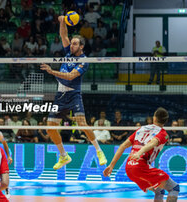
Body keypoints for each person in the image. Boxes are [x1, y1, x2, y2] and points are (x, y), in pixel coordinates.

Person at [40, 15, 107, 170]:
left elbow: (70, 77)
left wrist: (52, 71)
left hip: (73, 94)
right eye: (72, 43)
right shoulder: (68, 53)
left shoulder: (84, 61)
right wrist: (62, 21)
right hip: (60, 95)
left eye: (75, 44)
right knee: (50, 127)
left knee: (82, 124)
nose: (71, 45)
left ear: (81, 46)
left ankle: (99, 151)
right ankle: (64, 155)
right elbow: (63, 35)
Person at [104, 107, 179, 202]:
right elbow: (152, 143)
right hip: (141, 167)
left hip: (129, 167)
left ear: (154, 118)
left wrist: (111, 165)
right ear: (166, 121)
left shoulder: (141, 129)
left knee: (159, 190)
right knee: (174, 188)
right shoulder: (163, 134)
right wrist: (140, 152)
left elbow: (122, 146)